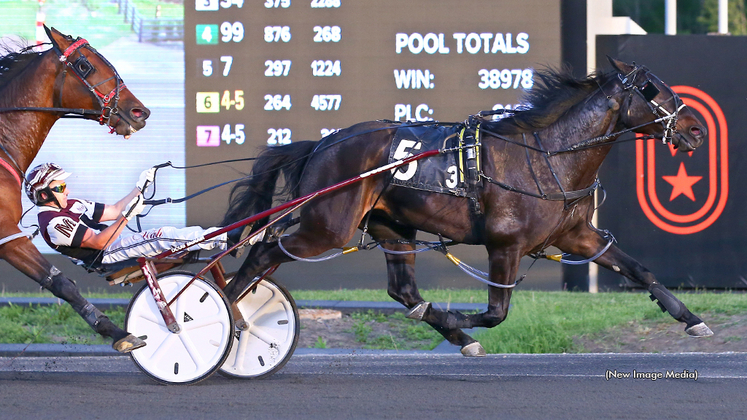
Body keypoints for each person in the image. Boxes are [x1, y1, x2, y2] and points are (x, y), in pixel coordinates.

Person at [25, 163, 228, 268]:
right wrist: (127, 216)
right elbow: (98, 242)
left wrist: (140, 188)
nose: (67, 191)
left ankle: (221, 237)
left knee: (165, 235)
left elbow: (114, 210)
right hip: (106, 255)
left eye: (65, 185)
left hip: (114, 244)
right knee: (162, 235)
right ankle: (224, 237)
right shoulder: (53, 224)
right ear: (44, 195)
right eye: (60, 187)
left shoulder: (71, 204)